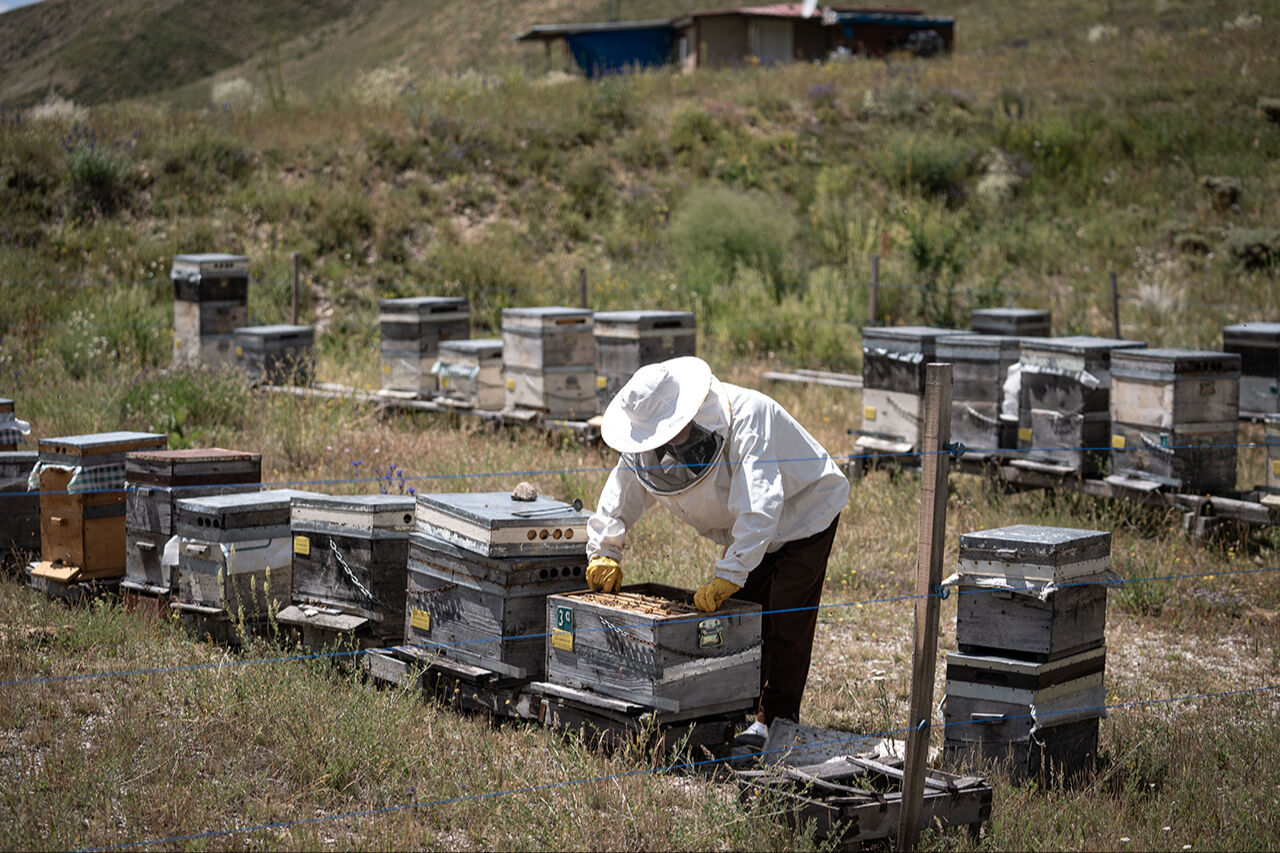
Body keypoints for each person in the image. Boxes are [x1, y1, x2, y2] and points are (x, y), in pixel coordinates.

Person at [585, 356, 849, 746]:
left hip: (805, 512)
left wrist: (731, 571)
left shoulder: (749, 418)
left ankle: (774, 722)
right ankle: (738, 705)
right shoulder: (655, 442)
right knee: (746, 614)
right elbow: (625, 485)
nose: (661, 446)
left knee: (786, 618)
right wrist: (605, 548)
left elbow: (761, 505)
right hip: (749, 527)